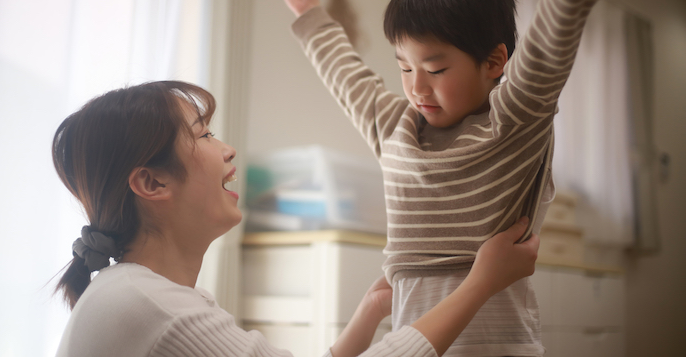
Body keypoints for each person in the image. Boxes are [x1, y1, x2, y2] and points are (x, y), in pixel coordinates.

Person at [276, 0, 620, 356]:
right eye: (404, 66)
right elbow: (346, 74)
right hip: (414, 345)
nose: (417, 87)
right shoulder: (396, 127)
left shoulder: (513, 121)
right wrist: (308, 12)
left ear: (494, 62)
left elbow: (546, 56)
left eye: (436, 69)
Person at [52, 80, 539, 357]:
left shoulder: (149, 296)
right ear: (152, 184)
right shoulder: (150, 307)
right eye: (202, 136)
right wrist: (480, 284)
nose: (227, 150)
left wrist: (369, 313)